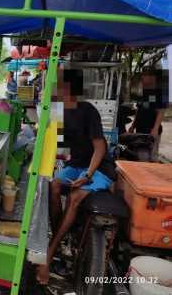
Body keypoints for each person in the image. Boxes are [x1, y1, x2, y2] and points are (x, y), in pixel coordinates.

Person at [36, 78, 116, 285]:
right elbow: (55, 144)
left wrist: (87, 176)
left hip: (98, 167)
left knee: (75, 197)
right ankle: (61, 237)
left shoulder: (87, 110)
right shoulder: (57, 112)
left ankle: (50, 252)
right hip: (77, 163)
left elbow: (100, 148)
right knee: (53, 185)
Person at [128, 72, 165, 161]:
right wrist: (133, 126)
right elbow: (139, 111)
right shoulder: (142, 94)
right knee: (140, 155)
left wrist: (155, 129)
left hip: (151, 131)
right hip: (140, 130)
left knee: (151, 157)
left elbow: (160, 111)